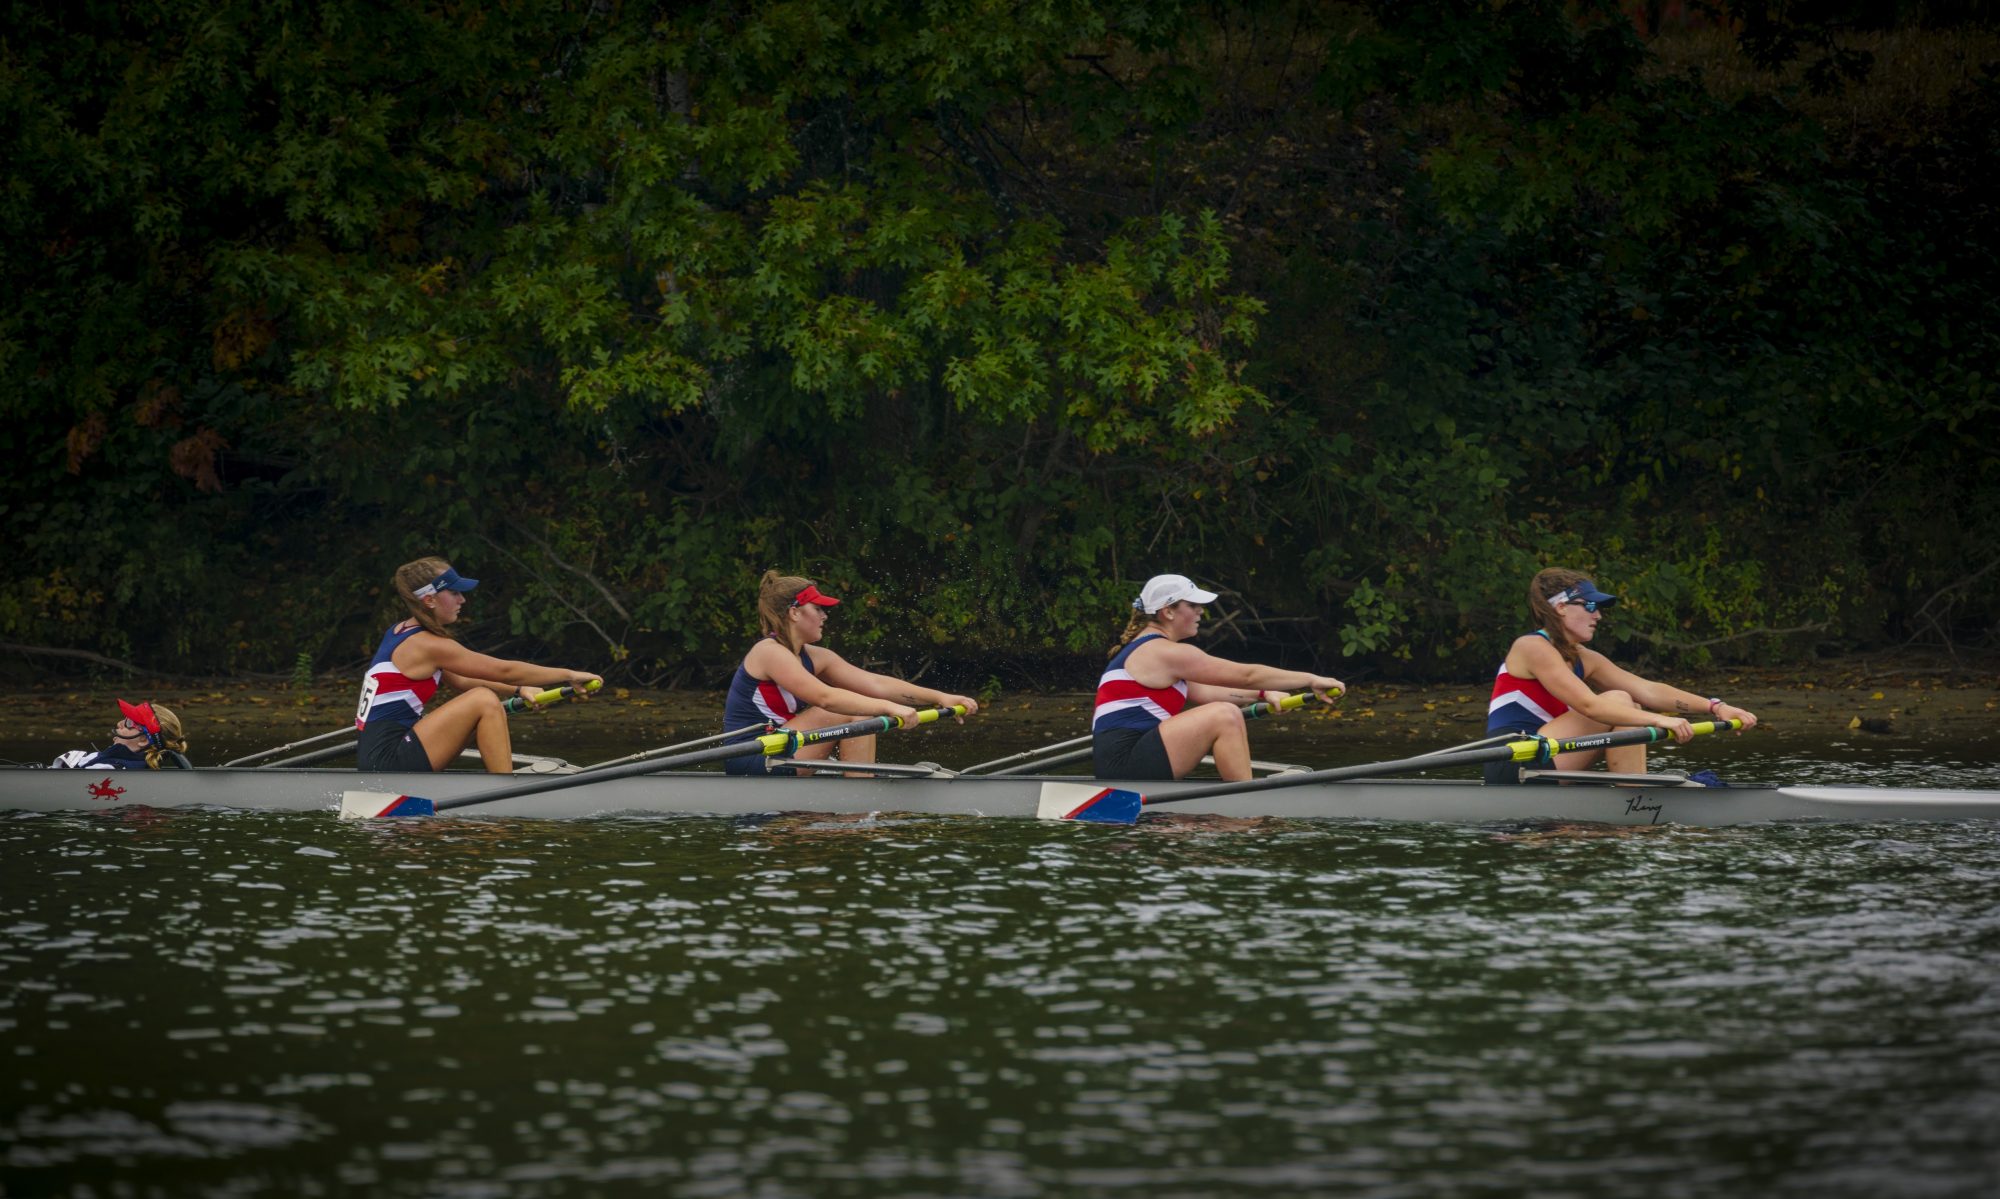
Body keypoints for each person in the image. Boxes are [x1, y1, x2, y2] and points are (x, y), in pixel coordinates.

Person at [1485, 568, 1759, 784]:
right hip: (1513, 761)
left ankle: (1635, 797)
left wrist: (1716, 707)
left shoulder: (1585, 658)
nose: (1599, 616)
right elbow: (1589, 705)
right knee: (1620, 700)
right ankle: (1636, 798)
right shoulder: (1531, 647)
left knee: (1630, 703)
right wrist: (1657, 719)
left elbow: (1649, 690)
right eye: (1591, 606)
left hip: (1545, 761)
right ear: (1561, 608)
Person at [356, 556, 601, 774]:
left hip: (382, 754)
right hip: (387, 762)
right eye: (454, 593)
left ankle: (499, 786)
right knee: (483, 700)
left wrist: (518, 690)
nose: (462, 599)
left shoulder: (400, 631)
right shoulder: (427, 645)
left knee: (482, 703)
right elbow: (504, 670)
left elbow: (461, 680)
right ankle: (504, 793)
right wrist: (568, 674)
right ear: (429, 600)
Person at [721, 571, 979, 775]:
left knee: (859, 715)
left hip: (782, 751)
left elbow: (876, 683)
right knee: (846, 709)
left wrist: (941, 697)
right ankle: (858, 796)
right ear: (795, 613)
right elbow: (826, 699)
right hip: (751, 757)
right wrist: (890, 708)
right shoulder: (769, 652)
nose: (825, 616)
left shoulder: (816, 657)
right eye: (818, 609)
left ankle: (859, 798)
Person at [1093, 574, 1345, 782]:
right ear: (1168, 611)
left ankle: (1240, 793)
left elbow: (1207, 692)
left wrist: (1263, 694)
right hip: (1123, 765)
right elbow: (1247, 676)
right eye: (1193, 605)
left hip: (1126, 759)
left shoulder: (1150, 651)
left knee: (1223, 710)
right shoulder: (1162, 652)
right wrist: (1311, 679)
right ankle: (1246, 803)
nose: (1201, 611)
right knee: (1224, 715)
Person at [52, 699, 190, 770]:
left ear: (143, 740)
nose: (119, 723)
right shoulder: (103, 758)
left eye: (129, 723)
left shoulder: (114, 770)